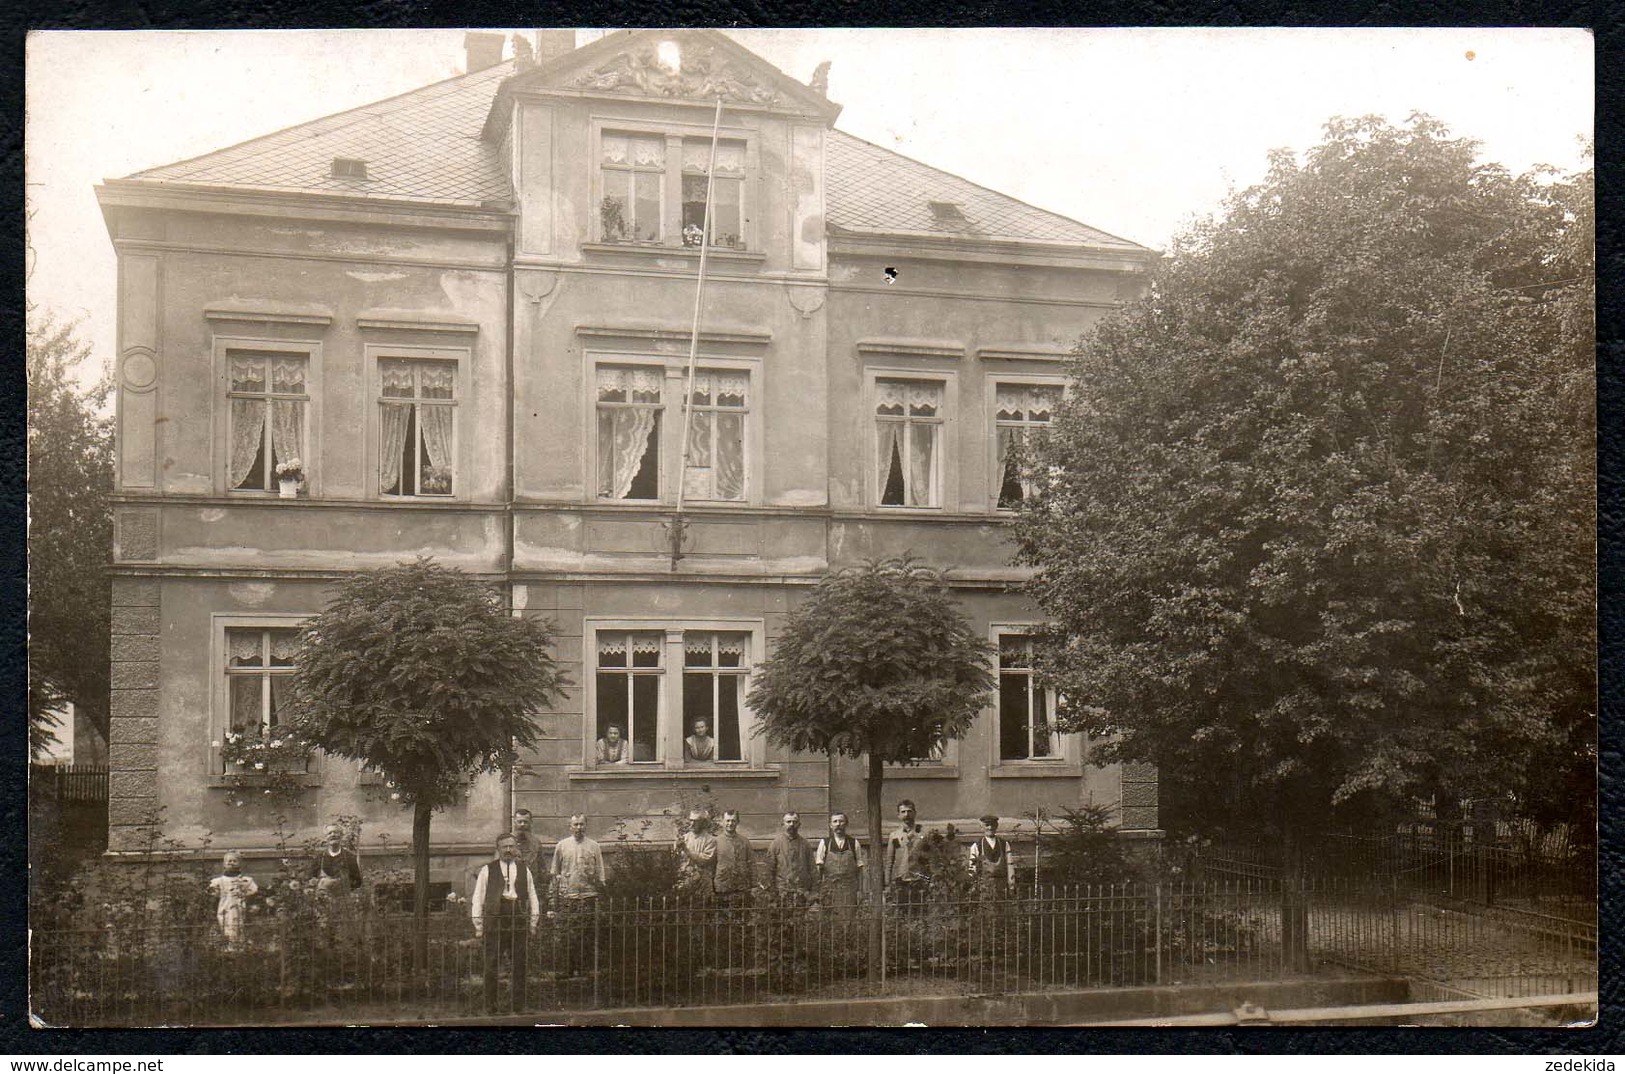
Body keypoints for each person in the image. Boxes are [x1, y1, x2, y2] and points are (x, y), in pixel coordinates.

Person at [470, 833, 540, 1014]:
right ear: (498, 849)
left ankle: (519, 1006)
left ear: (515, 847)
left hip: (518, 917)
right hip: (496, 920)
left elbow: (532, 896)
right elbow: (478, 898)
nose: (508, 850)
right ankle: (490, 1006)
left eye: (511, 846)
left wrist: (533, 922)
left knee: (520, 963)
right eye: (504, 847)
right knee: (491, 963)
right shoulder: (488, 870)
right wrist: (478, 926)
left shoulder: (524, 869)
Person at [550, 814, 606, 979]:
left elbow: (600, 871)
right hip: (569, 896)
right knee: (568, 935)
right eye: (575, 825)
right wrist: (554, 898)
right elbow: (555, 872)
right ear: (570, 826)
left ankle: (584, 969)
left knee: (586, 934)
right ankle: (567, 969)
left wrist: (600, 890)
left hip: (589, 895)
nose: (579, 828)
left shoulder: (594, 846)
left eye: (581, 824)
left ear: (586, 826)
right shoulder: (562, 845)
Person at [814, 811, 865, 916]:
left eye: (841, 821)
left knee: (849, 918)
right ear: (830, 825)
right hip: (830, 889)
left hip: (849, 889)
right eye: (835, 821)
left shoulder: (854, 843)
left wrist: (860, 891)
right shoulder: (824, 843)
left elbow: (860, 869)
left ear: (846, 824)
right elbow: (819, 869)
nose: (838, 824)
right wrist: (818, 891)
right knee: (830, 919)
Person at [886, 799, 929, 913]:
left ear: (915, 813)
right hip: (901, 879)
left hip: (919, 878)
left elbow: (930, 857)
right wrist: (888, 883)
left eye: (909, 811)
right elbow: (890, 861)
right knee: (902, 912)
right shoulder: (894, 836)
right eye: (903, 812)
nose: (907, 815)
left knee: (920, 912)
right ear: (898, 815)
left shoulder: (923, 834)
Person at [209, 852, 258, 947]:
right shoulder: (219, 881)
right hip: (225, 907)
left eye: (235, 861)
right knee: (226, 926)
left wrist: (243, 894)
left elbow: (253, 890)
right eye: (229, 861)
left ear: (240, 863)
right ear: (224, 864)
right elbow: (213, 893)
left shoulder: (245, 880)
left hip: (239, 906)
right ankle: (229, 947)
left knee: (240, 925)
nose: (231, 863)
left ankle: (240, 947)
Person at [766, 811, 817, 902]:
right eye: (788, 822)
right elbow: (769, 869)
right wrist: (773, 893)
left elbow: (812, 868)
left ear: (799, 824)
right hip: (782, 892)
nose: (792, 824)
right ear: (783, 824)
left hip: (802, 891)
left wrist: (813, 891)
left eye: (795, 822)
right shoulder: (775, 844)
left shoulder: (805, 844)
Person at [967, 815, 1018, 901]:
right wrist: (973, 887)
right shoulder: (977, 846)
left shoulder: (1004, 844)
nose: (990, 828)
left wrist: (1011, 886)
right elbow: (972, 868)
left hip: (1001, 886)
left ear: (996, 826)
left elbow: (1010, 866)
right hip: (984, 887)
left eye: (993, 825)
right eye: (987, 825)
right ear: (982, 827)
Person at [713, 810, 754, 907]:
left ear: (737, 822)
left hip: (741, 886)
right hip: (722, 886)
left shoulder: (744, 841)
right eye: (727, 821)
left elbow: (751, 863)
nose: (730, 823)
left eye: (733, 821)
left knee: (742, 916)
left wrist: (753, 884)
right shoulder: (716, 841)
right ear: (722, 822)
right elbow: (711, 865)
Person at [309, 823, 363, 895]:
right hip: (323, 900)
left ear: (341, 836)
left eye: (336, 832)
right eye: (329, 833)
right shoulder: (319, 857)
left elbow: (357, 881)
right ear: (326, 838)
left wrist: (345, 886)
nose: (332, 835)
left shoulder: (349, 857)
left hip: (343, 900)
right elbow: (311, 879)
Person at [676, 809, 718, 898]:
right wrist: (677, 848)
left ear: (703, 823)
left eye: (696, 821)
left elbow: (704, 861)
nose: (692, 824)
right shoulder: (684, 838)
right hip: (685, 880)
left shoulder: (711, 840)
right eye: (691, 820)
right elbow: (676, 860)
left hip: (702, 881)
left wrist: (686, 850)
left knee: (702, 907)